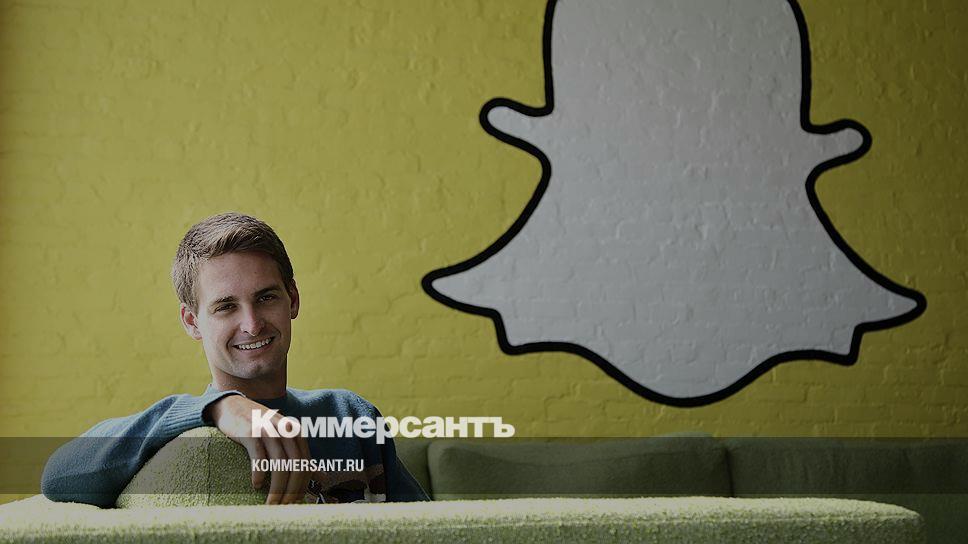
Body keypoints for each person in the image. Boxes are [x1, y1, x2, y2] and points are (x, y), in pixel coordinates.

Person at [41, 212, 428, 507]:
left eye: (266, 297)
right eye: (226, 306)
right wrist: (217, 407)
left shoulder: (351, 415)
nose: (252, 323)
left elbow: (430, 526)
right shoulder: (180, 433)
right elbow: (58, 475)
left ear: (292, 300)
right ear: (192, 322)